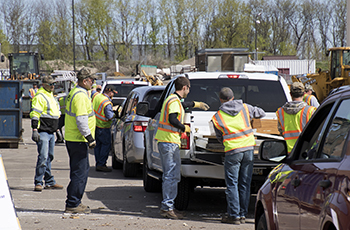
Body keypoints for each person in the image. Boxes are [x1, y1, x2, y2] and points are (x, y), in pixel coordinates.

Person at [155, 76, 209, 219]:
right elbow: (173, 119)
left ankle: (169, 206)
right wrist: (184, 128)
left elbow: (181, 105)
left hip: (169, 141)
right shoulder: (173, 101)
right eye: (189, 88)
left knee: (173, 175)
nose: (189, 91)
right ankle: (167, 207)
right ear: (184, 87)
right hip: (168, 142)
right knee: (170, 176)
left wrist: (195, 104)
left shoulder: (174, 100)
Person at [211, 87, 265, 225]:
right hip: (248, 149)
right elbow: (261, 113)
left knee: (232, 184)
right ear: (233, 97)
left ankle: (234, 215)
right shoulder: (246, 108)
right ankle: (242, 214)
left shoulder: (217, 116)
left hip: (233, 151)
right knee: (245, 183)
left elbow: (219, 137)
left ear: (220, 100)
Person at [64, 67, 96, 214]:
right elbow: (81, 120)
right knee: (80, 173)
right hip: (78, 139)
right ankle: (73, 203)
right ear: (85, 81)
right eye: (92, 80)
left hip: (73, 138)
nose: (93, 83)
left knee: (77, 172)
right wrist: (89, 138)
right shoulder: (81, 96)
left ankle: (74, 201)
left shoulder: (75, 93)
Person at [30, 76, 63, 192]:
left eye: (53, 84)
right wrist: (34, 130)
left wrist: (57, 130)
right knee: (43, 157)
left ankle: (49, 181)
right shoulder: (40, 96)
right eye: (50, 84)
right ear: (43, 84)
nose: (53, 86)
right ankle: (38, 182)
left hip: (51, 131)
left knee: (49, 157)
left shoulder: (51, 97)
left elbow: (54, 115)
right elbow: (35, 114)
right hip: (43, 131)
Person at [277, 82, 316, 154]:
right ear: (304, 94)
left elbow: (281, 131)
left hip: (289, 152)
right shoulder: (311, 111)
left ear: (290, 94)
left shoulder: (280, 112)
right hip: (307, 152)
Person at [92, 85, 117, 172]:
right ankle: (101, 164)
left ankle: (98, 163)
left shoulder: (97, 96)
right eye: (113, 93)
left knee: (98, 146)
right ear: (110, 92)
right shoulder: (106, 102)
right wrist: (115, 114)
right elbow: (110, 116)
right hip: (104, 127)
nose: (113, 94)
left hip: (95, 125)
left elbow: (92, 92)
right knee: (106, 145)